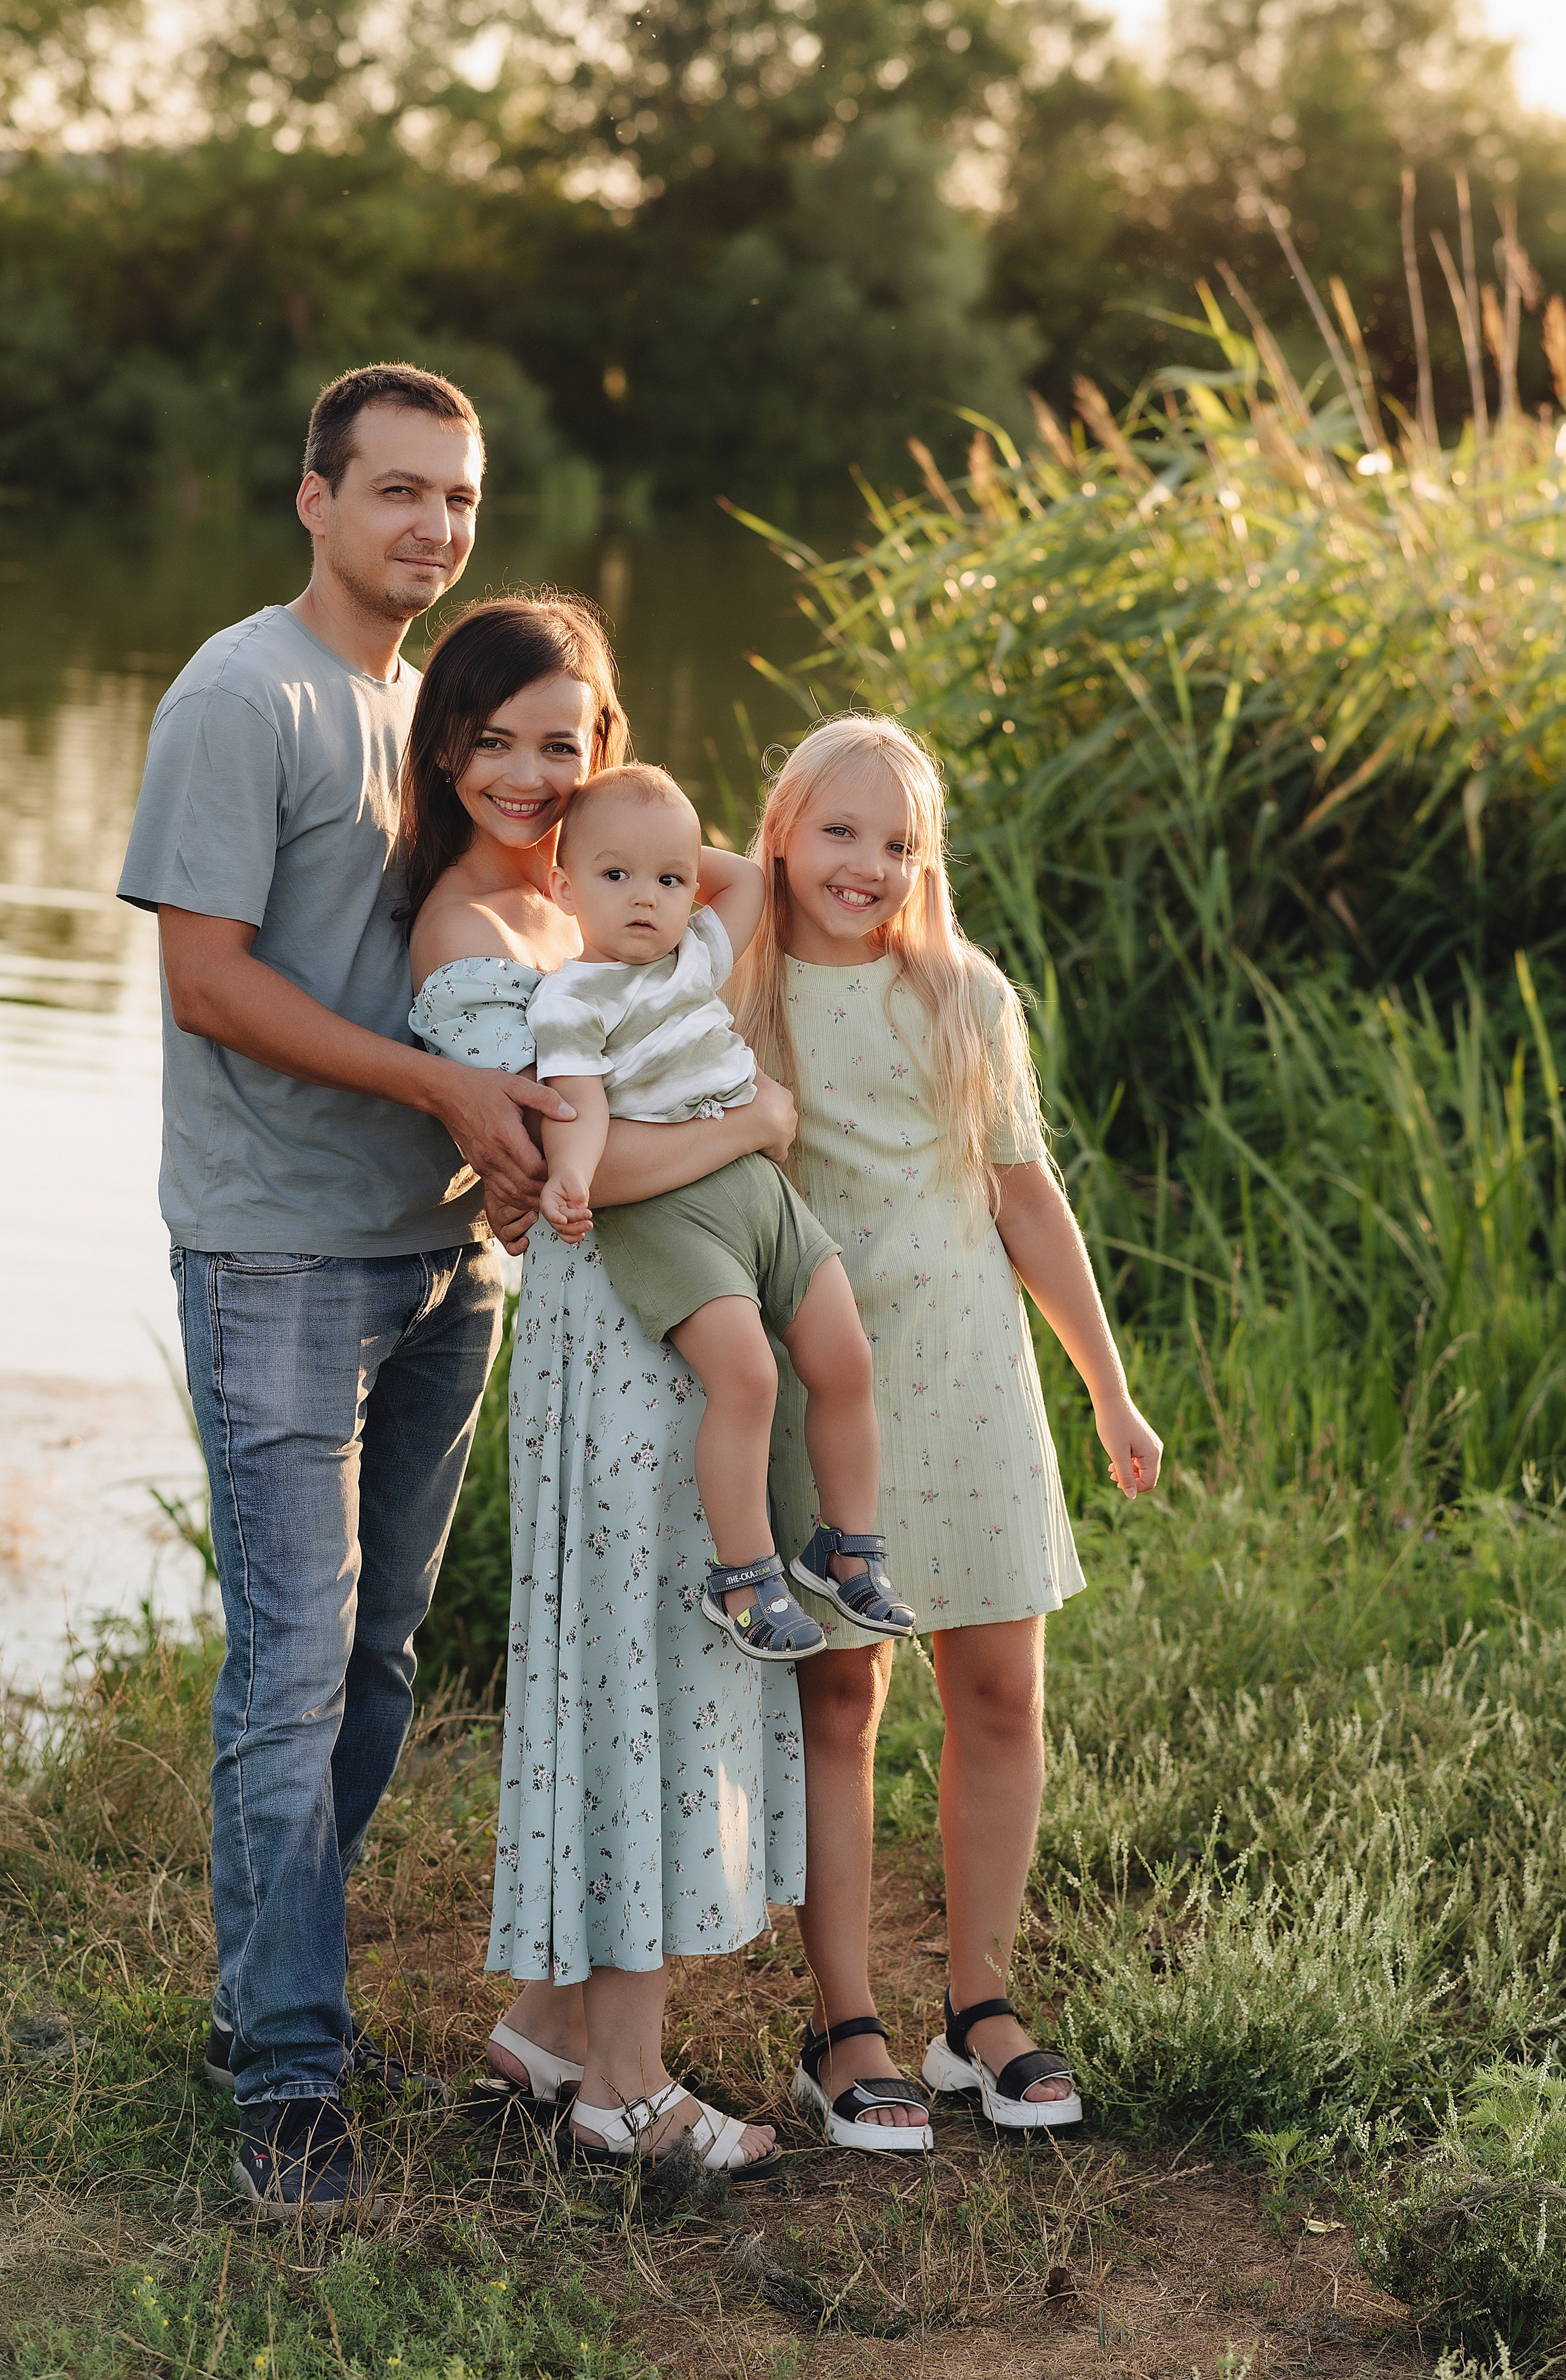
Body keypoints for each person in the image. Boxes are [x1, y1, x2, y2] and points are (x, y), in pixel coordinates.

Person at [117, 364, 581, 2224]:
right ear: (314, 496)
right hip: (279, 1249)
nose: (433, 528)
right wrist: (448, 1089)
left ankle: (268, 1997)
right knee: (294, 1664)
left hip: (444, 1245)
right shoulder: (249, 695)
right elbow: (209, 986)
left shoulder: (437, 703)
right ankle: (291, 2070)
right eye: (396, 491)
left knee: (382, 1656)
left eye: (458, 500)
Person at [402, 596, 801, 2176]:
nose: (525, 773)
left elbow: (759, 883)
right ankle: (625, 2090)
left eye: (561, 743)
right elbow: (602, 1161)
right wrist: (756, 1124)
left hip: (664, 1322)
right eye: (493, 740)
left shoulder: (597, 894)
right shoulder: (476, 936)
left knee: (631, 1652)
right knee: (635, 1658)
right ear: (444, 746)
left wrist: (641, 839)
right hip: (611, 1337)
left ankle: (552, 2020)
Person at [734, 715, 1164, 2152]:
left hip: (974, 1375)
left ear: (928, 860)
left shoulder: (966, 995)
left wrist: (1103, 1382)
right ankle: (840, 2015)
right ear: (780, 829)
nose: (863, 865)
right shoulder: (737, 992)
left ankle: (975, 2001)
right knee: (838, 1702)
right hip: (822, 1387)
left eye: (896, 841)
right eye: (836, 830)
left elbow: (1023, 1194)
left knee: (996, 1695)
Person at [527, 763, 915, 1664]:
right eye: (613, 877)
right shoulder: (570, 996)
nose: (646, 898)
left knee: (844, 1355)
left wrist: (652, 843)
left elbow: (743, 875)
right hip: (670, 1207)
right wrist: (572, 1176)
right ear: (563, 886)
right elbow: (578, 1102)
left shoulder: (694, 951)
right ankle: (743, 1575)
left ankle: (843, 1547)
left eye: (666, 879)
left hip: (760, 1190)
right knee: (748, 1376)